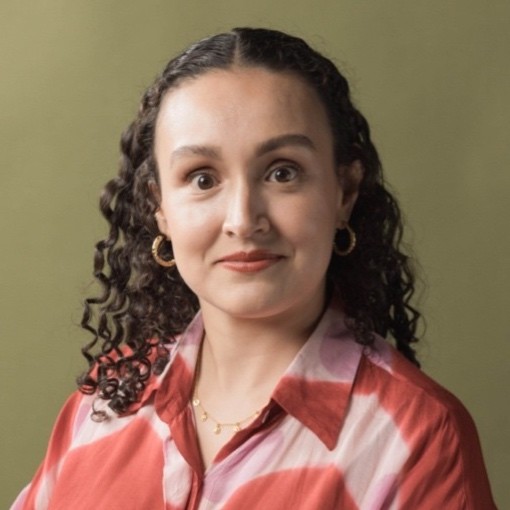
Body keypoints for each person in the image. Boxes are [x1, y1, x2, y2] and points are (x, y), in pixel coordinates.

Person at [12, 27, 496, 509]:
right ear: (160, 208)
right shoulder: (106, 400)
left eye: (282, 172)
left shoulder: (418, 437)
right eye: (202, 179)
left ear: (344, 193)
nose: (243, 221)